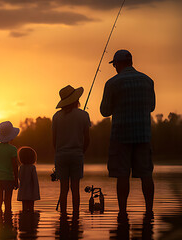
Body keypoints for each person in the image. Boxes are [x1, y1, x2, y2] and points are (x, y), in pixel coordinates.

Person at [100, 49, 155, 221]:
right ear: (131, 62)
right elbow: (152, 107)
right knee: (146, 173)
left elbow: (104, 111)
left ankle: (122, 212)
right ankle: (149, 211)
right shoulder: (148, 81)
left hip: (121, 135)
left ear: (118, 64)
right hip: (143, 135)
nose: (114, 67)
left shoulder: (112, 83)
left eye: (114, 64)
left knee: (122, 174)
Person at [52, 85, 91, 217]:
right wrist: (82, 151)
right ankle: (75, 215)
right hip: (77, 154)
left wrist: (57, 153)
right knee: (75, 188)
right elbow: (87, 138)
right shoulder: (84, 115)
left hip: (61, 155)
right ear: (76, 100)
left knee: (63, 189)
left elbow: (54, 139)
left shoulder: (56, 117)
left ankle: (63, 215)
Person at [0, 121, 20, 218]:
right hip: (9, 178)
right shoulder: (13, 149)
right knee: (8, 200)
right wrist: (16, 179)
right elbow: (15, 165)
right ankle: (7, 220)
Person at [17, 146, 40, 212]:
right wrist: (36, 191)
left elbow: (20, 177)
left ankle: (24, 219)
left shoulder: (21, 167)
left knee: (24, 207)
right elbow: (35, 180)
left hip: (23, 190)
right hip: (31, 190)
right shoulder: (32, 167)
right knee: (31, 207)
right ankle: (31, 219)